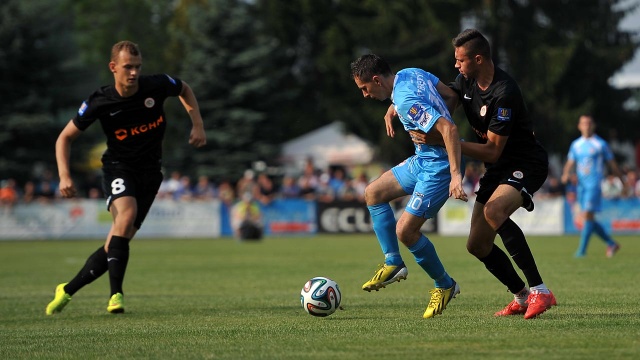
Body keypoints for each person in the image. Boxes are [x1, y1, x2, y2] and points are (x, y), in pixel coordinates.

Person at [401, 29, 556, 319]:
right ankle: (521, 296)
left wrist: (449, 142)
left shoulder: (504, 93)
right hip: (498, 170)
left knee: (495, 210)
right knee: (477, 244)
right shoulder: (465, 81)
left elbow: (492, 151)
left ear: (478, 59)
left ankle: (541, 291)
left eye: (460, 60)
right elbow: (441, 97)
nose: (456, 66)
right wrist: (398, 109)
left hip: (526, 163)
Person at [45, 40, 206, 315]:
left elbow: (184, 89)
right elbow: (64, 138)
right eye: (127, 67)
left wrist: (198, 124)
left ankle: (67, 290)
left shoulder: (154, 86)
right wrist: (64, 175)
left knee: (116, 243)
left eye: (137, 67)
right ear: (113, 67)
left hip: (151, 173)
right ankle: (116, 295)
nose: (134, 73)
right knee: (126, 215)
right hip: (118, 168)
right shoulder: (100, 101)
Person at [350, 54, 468, 318]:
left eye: (365, 88)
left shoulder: (405, 101)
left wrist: (456, 174)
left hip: (437, 167)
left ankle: (445, 285)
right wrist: (393, 109)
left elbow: (449, 129)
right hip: (422, 159)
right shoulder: (411, 73)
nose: (365, 95)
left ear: (377, 80)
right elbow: (451, 96)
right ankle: (393, 262)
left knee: (406, 231)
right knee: (373, 193)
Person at [560, 115, 622, 258]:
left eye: (589, 123)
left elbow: (611, 163)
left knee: (588, 214)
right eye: (584, 123)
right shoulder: (576, 144)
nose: (586, 126)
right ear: (579, 126)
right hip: (581, 186)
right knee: (588, 218)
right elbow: (570, 162)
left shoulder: (600, 144)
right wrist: (565, 173)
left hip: (594, 184)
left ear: (593, 125)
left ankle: (581, 251)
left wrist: (621, 180)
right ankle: (611, 243)